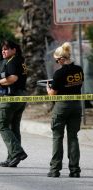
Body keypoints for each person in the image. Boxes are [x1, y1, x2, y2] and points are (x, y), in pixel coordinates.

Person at [46, 42, 84, 178]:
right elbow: (78, 85)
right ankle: (75, 170)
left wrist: (48, 89)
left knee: (57, 137)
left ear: (62, 59)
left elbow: (53, 94)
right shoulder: (79, 69)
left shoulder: (59, 73)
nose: (57, 62)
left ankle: (55, 169)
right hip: (76, 106)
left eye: (57, 60)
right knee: (73, 137)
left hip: (62, 106)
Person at [0, 40, 28, 167]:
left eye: (6, 49)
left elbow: (13, 78)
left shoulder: (12, 62)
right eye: (2, 49)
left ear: (14, 50)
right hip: (21, 96)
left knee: (2, 125)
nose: (3, 51)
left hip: (11, 98)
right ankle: (12, 158)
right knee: (14, 127)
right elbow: (15, 80)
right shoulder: (19, 61)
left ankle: (17, 152)